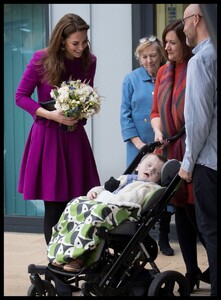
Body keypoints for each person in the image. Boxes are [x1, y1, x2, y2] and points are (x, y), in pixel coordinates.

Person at [15, 13, 100, 246]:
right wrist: (51, 115)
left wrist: (83, 110)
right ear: (62, 40)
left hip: (75, 140)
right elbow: (20, 97)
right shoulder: (41, 59)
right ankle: (56, 266)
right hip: (48, 139)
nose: (81, 47)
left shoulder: (89, 61)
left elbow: (88, 93)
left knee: (78, 203)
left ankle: (73, 259)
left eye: (84, 41)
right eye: (75, 43)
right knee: (54, 206)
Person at [150, 19, 210, 293]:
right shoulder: (163, 71)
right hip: (171, 151)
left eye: (172, 42)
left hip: (195, 150)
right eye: (166, 42)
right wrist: (158, 130)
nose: (167, 47)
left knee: (200, 216)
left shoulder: (196, 66)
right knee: (182, 213)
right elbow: (154, 112)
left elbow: (199, 114)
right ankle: (191, 270)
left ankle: (212, 268)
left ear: (185, 43)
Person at [47, 153, 167, 272]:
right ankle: (61, 251)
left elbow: (127, 200)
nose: (151, 170)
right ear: (138, 166)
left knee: (96, 214)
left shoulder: (148, 188)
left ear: (158, 179)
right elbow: (104, 188)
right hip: (105, 204)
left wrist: (102, 197)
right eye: (148, 165)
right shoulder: (125, 179)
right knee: (74, 204)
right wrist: (94, 192)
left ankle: (79, 256)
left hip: (122, 212)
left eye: (156, 172)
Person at [120, 36, 174, 256]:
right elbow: (125, 116)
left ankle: (163, 236)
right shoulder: (131, 79)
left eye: (153, 55)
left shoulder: (167, 74)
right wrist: (140, 144)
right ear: (139, 58)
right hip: (138, 145)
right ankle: (142, 236)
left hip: (164, 142)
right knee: (140, 187)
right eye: (145, 57)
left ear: (159, 55)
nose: (150, 60)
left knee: (165, 187)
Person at [178, 4, 217, 296]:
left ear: (196, 19)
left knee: (213, 233)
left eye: (184, 22)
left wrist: (188, 164)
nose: (183, 29)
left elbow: (198, 120)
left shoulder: (201, 60)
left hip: (209, 163)